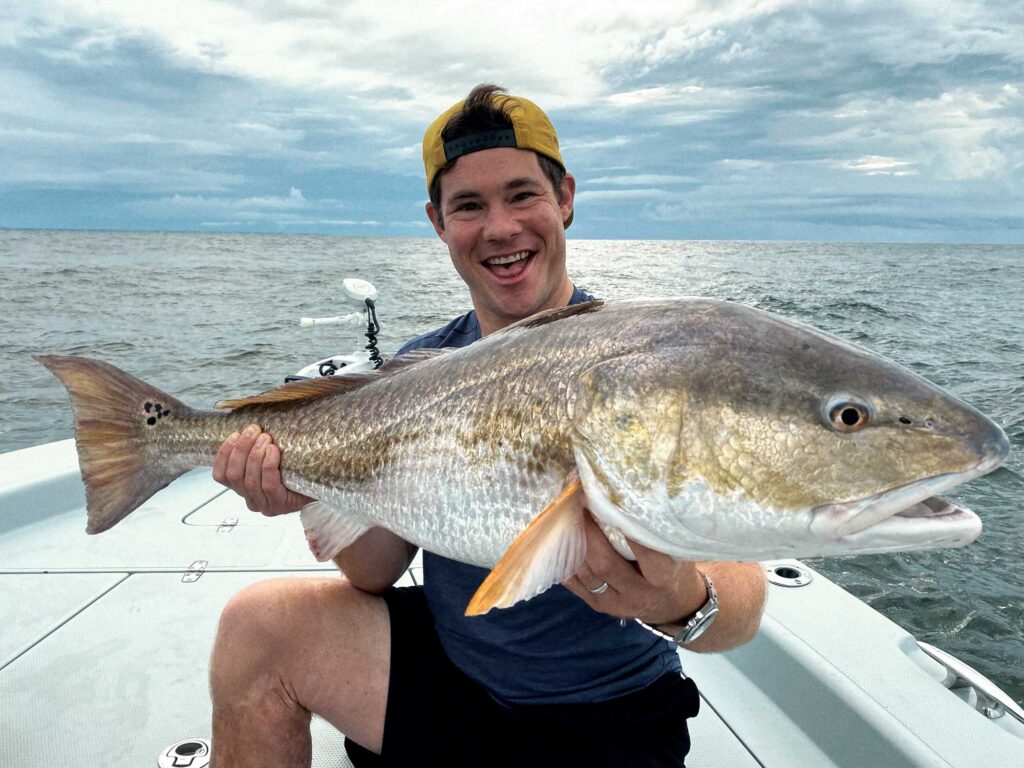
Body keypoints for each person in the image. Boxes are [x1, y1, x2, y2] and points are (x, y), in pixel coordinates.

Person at [208, 84, 767, 768]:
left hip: (608, 711)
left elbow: (742, 598)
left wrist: (681, 598)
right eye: (468, 205)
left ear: (565, 198)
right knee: (255, 627)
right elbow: (373, 572)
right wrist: (310, 485)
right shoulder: (419, 370)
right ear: (438, 223)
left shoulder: (631, 363)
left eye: (522, 195)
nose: (500, 228)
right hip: (454, 672)